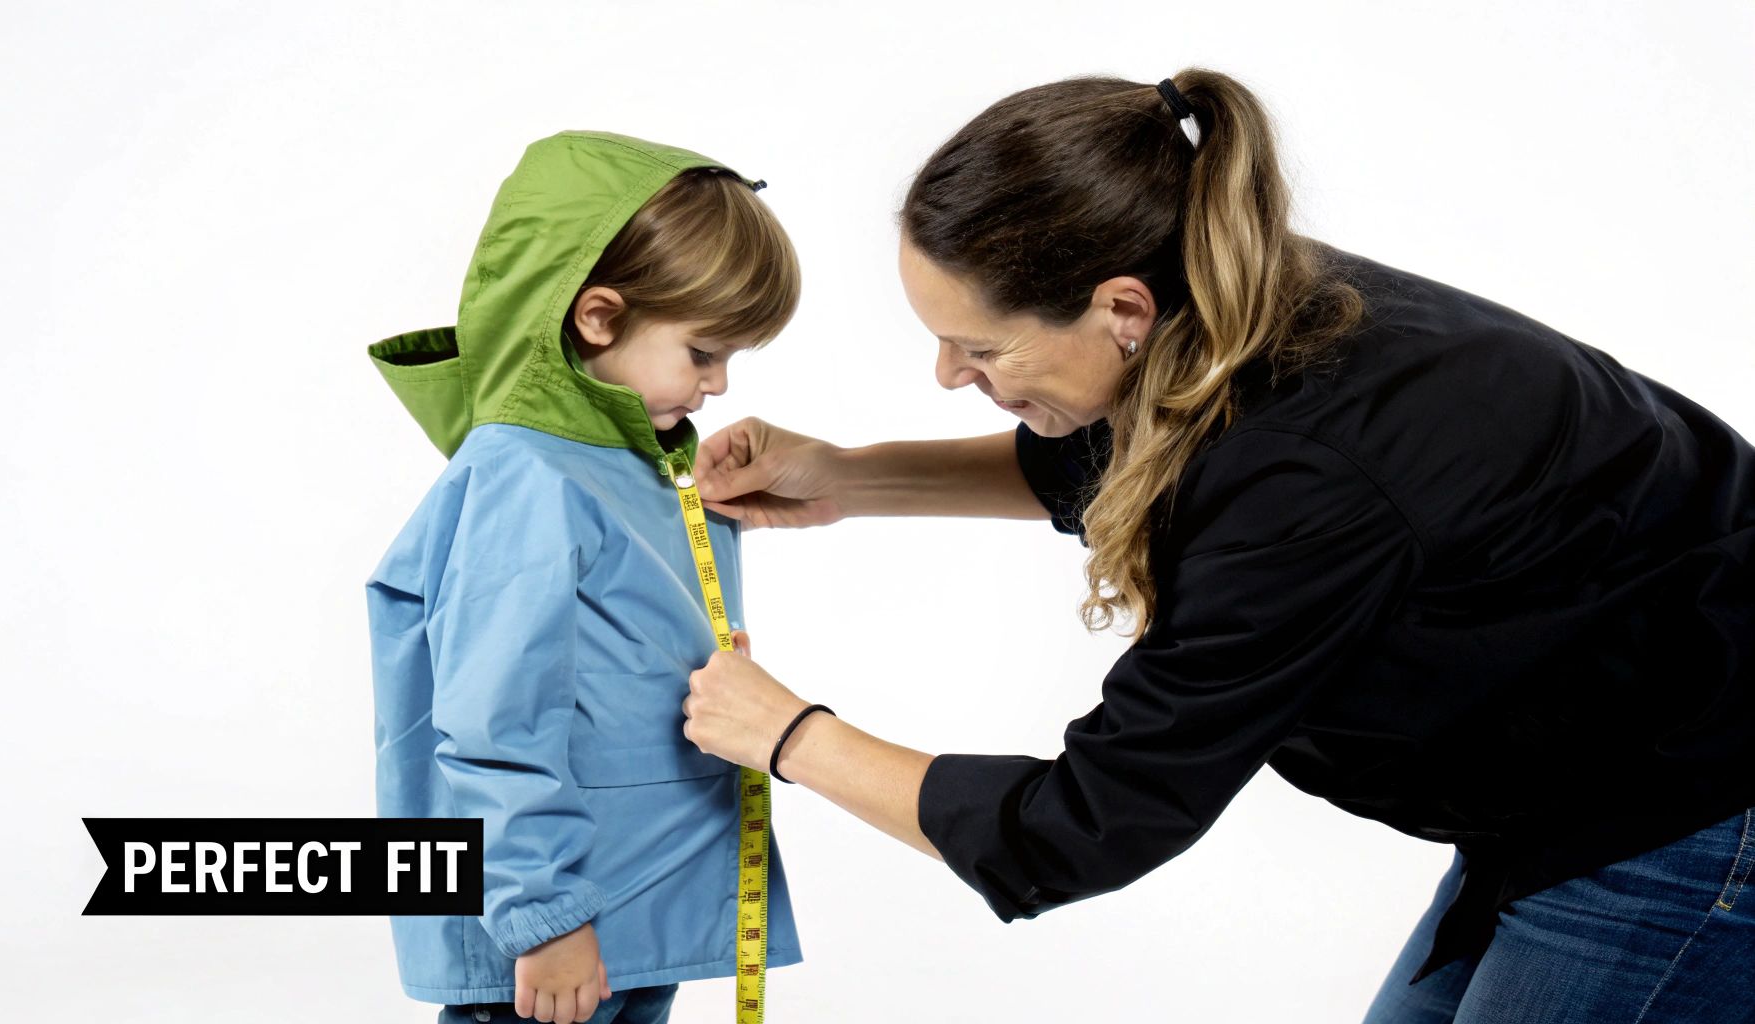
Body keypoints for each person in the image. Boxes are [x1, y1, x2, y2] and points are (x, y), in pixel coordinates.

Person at [679, 70, 1755, 1023]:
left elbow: (1081, 825)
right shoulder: (1220, 293)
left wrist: (787, 735)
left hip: (1692, 807)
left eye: (978, 347)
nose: (950, 375)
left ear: (1120, 308)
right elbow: (1093, 451)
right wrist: (847, 476)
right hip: (1576, 784)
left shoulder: (1304, 471)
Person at [364, 131, 804, 1024]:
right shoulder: (524, 475)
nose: (717, 386)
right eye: (703, 352)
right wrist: (543, 914)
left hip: (634, 900)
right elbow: (495, 719)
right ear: (597, 316)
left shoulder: (637, 469)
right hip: (561, 929)